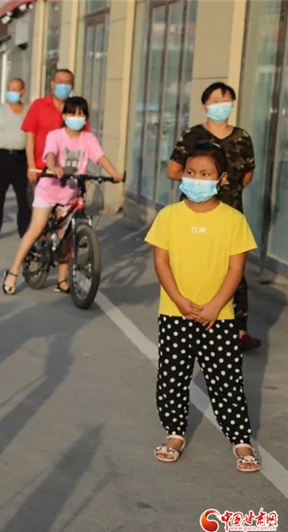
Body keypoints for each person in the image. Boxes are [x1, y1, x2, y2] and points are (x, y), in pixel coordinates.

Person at [145, 142, 260, 473]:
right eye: (191, 172)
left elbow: (236, 269)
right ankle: (175, 434)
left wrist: (214, 306)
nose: (196, 179)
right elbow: (161, 263)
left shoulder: (233, 220)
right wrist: (180, 302)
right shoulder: (168, 216)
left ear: (221, 179)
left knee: (226, 381)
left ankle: (241, 440)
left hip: (218, 317)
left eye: (205, 174)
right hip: (174, 313)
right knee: (172, 377)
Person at [166, 82, 260, 352]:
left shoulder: (242, 137)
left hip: (230, 211)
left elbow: (247, 175)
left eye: (225, 100)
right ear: (205, 104)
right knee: (195, 264)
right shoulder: (193, 136)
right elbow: (173, 170)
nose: (221, 105)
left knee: (234, 269)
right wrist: (200, 184)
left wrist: (226, 191)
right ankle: (190, 314)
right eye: (215, 100)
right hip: (194, 212)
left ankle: (238, 328)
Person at [2, 96, 123, 295]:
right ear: (65, 115)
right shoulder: (56, 136)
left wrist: (115, 174)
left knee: (66, 236)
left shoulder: (88, 138)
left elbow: (100, 158)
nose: (77, 118)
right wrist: (53, 167)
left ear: (86, 118)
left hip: (70, 193)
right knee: (37, 228)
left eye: (81, 114)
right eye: (72, 113)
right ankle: (13, 271)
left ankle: (62, 280)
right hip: (49, 190)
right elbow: (50, 154)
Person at [0, 78, 30, 241]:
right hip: (1, 157)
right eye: (10, 89)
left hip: (22, 158)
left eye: (15, 90)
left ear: (22, 92)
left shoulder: (28, 110)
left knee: (25, 198)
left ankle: (26, 232)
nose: (12, 92)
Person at [23, 69, 86, 185]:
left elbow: (85, 140)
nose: (64, 86)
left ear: (72, 86)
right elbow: (30, 136)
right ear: (53, 84)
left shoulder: (77, 109)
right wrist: (31, 165)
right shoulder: (38, 105)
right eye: (60, 82)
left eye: (67, 83)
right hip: (41, 169)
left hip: (69, 171)